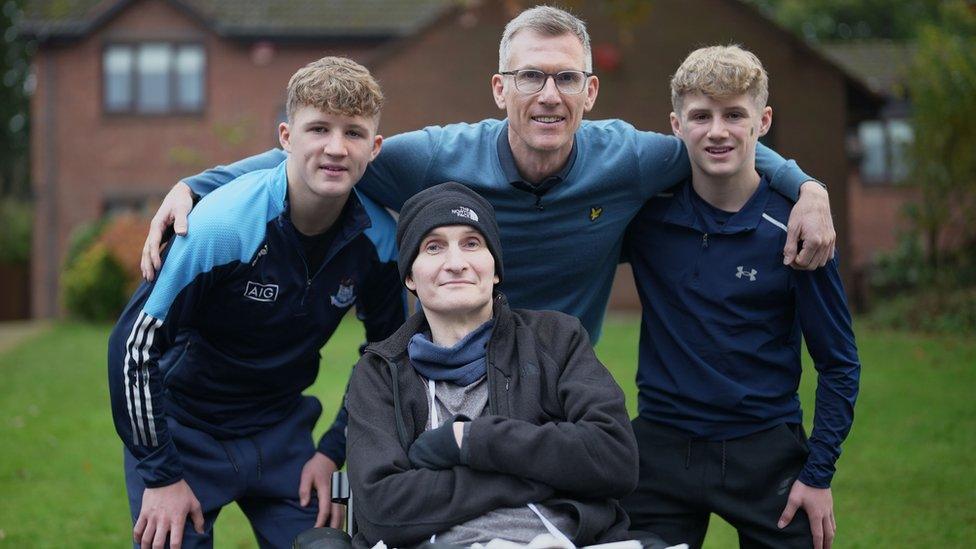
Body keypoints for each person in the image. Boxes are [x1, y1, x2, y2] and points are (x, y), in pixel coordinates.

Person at [137, 5, 837, 344]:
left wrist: (807, 188)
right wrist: (198, 185)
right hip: (451, 371)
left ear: (591, 94)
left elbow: (720, 143)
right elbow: (325, 153)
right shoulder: (434, 158)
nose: (549, 94)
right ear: (500, 89)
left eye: (567, 78)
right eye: (531, 75)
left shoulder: (630, 158)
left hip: (562, 385)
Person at [107, 57, 405, 549]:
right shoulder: (220, 225)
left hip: (282, 433)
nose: (335, 148)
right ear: (286, 138)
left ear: (373, 148)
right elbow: (132, 349)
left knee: (338, 541)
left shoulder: (380, 240)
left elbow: (388, 357)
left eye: (353, 133)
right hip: (184, 432)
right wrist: (159, 475)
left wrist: (334, 453)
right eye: (318, 129)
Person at [621, 46, 860, 549]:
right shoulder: (645, 218)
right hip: (662, 448)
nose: (717, 131)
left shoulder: (798, 229)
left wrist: (818, 475)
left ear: (763, 120)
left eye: (735, 115)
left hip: (764, 451)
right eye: (701, 116)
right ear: (676, 124)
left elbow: (838, 364)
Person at [344, 181, 648, 548]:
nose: (456, 263)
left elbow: (614, 457)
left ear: (496, 268)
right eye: (434, 246)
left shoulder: (557, 339)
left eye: (472, 243)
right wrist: (537, 476)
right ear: (410, 275)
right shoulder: (379, 372)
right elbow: (381, 510)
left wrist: (471, 441)